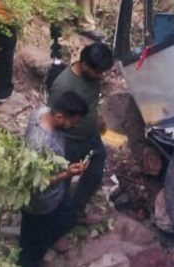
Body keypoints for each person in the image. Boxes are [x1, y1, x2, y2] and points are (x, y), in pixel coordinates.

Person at [20, 91, 90, 267]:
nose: (74, 126)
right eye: (72, 122)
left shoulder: (43, 112)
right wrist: (68, 174)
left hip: (57, 194)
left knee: (67, 217)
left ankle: (49, 239)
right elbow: (37, 182)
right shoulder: (40, 143)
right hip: (40, 203)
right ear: (59, 117)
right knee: (33, 247)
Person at [48, 41, 114, 225]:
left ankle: (76, 212)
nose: (101, 76)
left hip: (91, 138)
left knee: (95, 173)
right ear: (84, 65)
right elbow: (53, 118)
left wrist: (98, 119)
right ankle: (56, 226)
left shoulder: (93, 79)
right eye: (98, 72)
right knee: (61, 185)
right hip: (70, 141)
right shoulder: (63, 86)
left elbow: (92, 102)